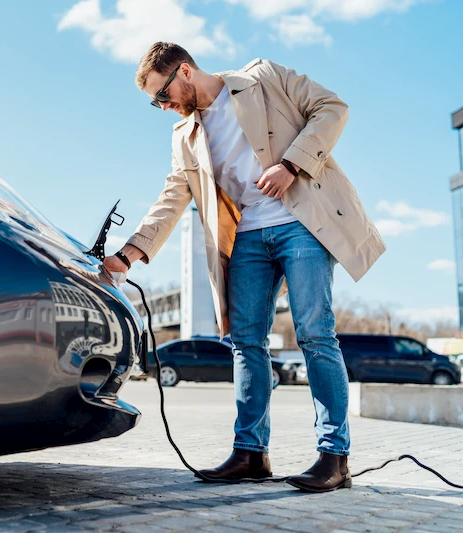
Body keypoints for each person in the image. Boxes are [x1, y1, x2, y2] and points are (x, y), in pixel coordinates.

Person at [103, 42, 385, 492]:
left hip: (302, 222)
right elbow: (173, 198)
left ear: (185, 71)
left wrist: (291, 164)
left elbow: (332, 108)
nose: (163, 107)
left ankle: (334, 457)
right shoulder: (185, 135)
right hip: (248, 235)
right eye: (156, 102)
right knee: (245, 341)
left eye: (163, 95)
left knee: (314, 332)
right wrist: (130, 253)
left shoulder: (262, 78)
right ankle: (251, 453)